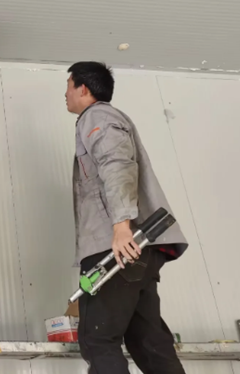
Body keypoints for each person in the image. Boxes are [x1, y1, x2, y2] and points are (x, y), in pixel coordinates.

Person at [65, 62, 189, 374]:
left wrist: (121, 227)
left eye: (68, 86)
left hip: (118, 247)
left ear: (83, 88)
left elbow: (117, 164)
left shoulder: (97, 117)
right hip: (140, 250)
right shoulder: (105, 118)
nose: (64, 94)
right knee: (149, 342)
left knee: (98, 340)